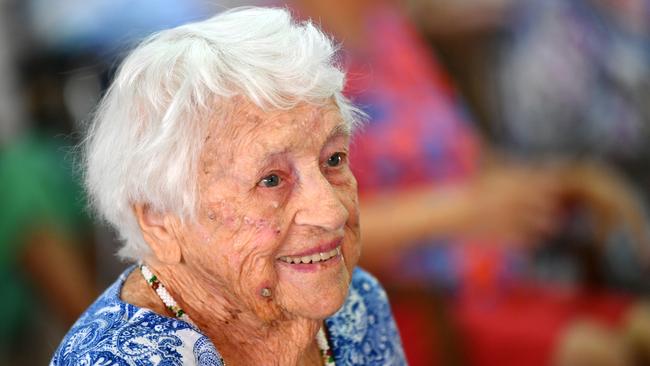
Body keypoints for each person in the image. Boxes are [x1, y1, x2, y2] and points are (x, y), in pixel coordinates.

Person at [50, 7, 405, 366]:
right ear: (160, 219)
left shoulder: (357, 307)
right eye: (271, 180)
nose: (332, 212)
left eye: (333, 160)